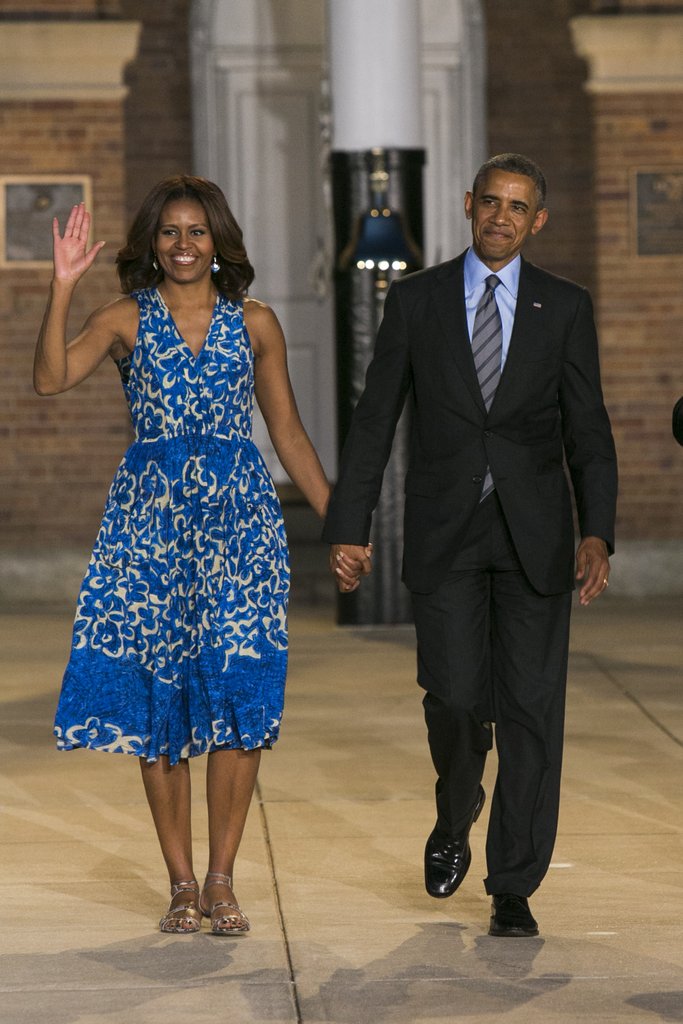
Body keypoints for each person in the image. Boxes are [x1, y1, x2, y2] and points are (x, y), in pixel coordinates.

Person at [323, 153, 617, 937]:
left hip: (537, 536)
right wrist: (349, 526)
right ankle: (456, 810)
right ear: (467, 205)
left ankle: (512, 883)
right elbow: (374, 416)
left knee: (529, 712)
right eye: (490, 201)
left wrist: (597, 530)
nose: (500, 217)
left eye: (517, 207)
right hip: (447, 531)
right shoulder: (415, 301)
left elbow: (587, 428)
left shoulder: (564, 306)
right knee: (453, 697)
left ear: (536, 221)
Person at [34, 175, 330, 935]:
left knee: (239, 697)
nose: (183, 244)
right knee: (161, 700)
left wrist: (342, 521)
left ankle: (223, 881)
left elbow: (289, 434)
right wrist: (63, 285)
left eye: (197, 231)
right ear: (151, 244)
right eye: (169, 232)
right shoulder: (125, 319)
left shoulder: (256, 323)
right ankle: (180, 881)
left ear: (218, 241)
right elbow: (50, 377)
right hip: (150, 531)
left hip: (240, 532)